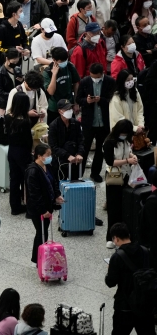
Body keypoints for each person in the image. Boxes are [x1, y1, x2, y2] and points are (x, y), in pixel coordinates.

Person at [105, 222, 156, 335]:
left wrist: (109, 269)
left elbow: (110, 282)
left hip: (124, 306)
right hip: (145, 306)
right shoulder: (145, 251)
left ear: (116, 239)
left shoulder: (117, 257)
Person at [76, 62, 115, 183]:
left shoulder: (110, 81)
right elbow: (78, 99)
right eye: (92, 76)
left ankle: (95, 173)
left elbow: (113, 99)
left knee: (100, 150)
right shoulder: (85, 81)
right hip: (89, 122)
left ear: (101, 74)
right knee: (85, 148)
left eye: (96, 76)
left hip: (104, 122)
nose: (94, 78)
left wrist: (101, 100)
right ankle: (79, 174)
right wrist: (86, 101)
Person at [25, 144, 64, 263]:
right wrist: (43, 210)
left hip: (48, 205)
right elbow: (34, 193)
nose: (50, 157)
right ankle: (37, 258)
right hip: (38, 208)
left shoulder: (48, 166)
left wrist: (57, 195)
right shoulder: (32, 171)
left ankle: (40, 256)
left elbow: (54, 182)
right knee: (41, 232)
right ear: (39, 156)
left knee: (44, 231)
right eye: (47, 155)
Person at [103, 120, 138, 249]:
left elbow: (127, 151)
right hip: (114, 178)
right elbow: (110, 161)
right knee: (113, 209)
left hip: (126, 176)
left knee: (125, 208)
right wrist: (127, 160)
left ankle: (124, 236)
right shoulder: (109, 143)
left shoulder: (126, 141)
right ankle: (111, 237)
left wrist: (132, 156)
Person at [6, 93, 33, 215]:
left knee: (14, 180)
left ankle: (15, 207)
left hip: (11, 151)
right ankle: (29, 208)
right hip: (23, 152)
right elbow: (28, 141)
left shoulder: (8, 117)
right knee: (28, 180)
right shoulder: (25, 122)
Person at [48, 99, 85, 181]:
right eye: (66, 109)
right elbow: (54, 147)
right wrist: (67, 156)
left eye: (70, 109)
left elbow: (81, 140)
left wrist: (80, 153)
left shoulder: (75, 123)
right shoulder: (54, 126)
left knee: (75, 183)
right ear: (60, 111)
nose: (69, 111)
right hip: (60, 160)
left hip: (75, 160)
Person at [42, 47, 80, 123]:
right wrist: (54, 75)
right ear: (54, 60)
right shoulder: (47, 72)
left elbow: (76, 83)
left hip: (69, 104)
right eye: (61, 61)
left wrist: (76, 103)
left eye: (65, 60)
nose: (64, 62)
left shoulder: (70, 66)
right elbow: (51, 92)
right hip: (54, 107)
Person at [0, 1, 30, 66]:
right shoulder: (2, 29)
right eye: (20, 11)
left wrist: (26, 48)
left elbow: (25, 39)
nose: (22, 13)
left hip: (18, 61)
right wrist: (13, 49)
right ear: (14, 14)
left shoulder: (19, 25)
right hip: (5, 62)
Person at [0, 48, 22, 114]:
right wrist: (14, 94)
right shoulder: (0, 73)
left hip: (16, 101)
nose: (15, 64)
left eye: (17, 62)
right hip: (5, 103)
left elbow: (20, 86)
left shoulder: (17, 69)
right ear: (7, 59)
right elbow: (0, 92)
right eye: (13, 62)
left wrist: (22, 81)